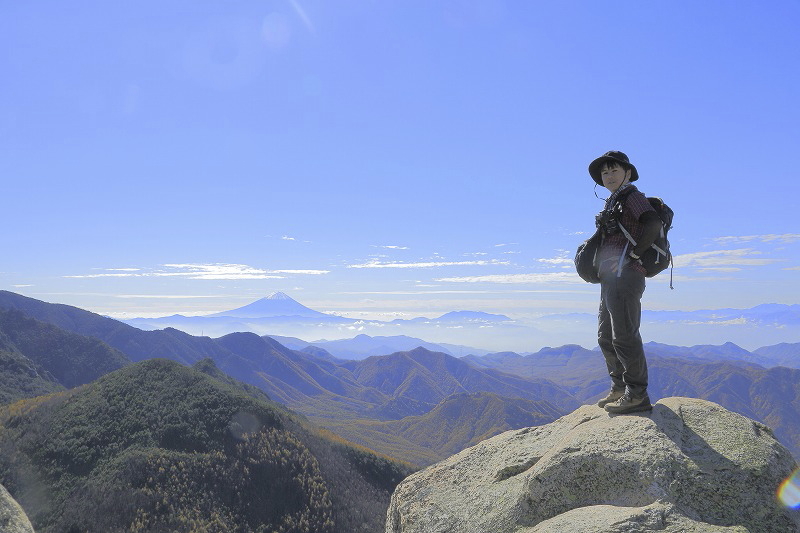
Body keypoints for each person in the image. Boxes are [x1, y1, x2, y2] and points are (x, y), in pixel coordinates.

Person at [588, 151, 662, 414]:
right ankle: (619, 388)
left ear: (627, 173)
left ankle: (636, 394)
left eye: (614, 170)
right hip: (610, 279)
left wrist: (633, 255)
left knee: (625, 336)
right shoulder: (614, 201)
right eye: (605, 172)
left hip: (627, 275)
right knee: (605, 336)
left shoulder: (633, 197)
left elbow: (652, 222)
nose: (608, 176)